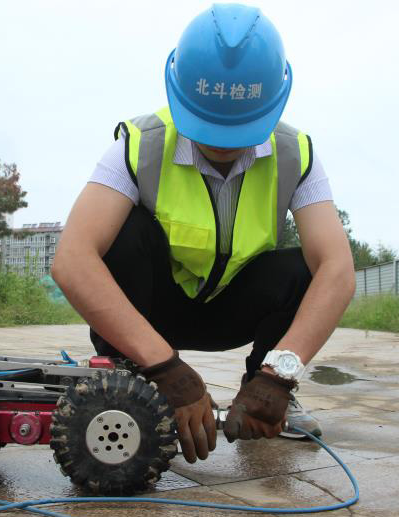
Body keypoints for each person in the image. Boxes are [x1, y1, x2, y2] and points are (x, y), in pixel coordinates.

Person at [52, 3, 355, 464]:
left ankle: (265, 394)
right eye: (209, 124)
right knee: (121, 232)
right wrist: (167, 369)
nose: (223, 142)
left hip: (230, 311)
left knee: (308, 269)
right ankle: (132, 380)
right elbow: (72, 260)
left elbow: (338, 269)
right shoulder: (141, 144)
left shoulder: (295, 155)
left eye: (239, 128)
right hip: (149, 312)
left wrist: (279, 373)